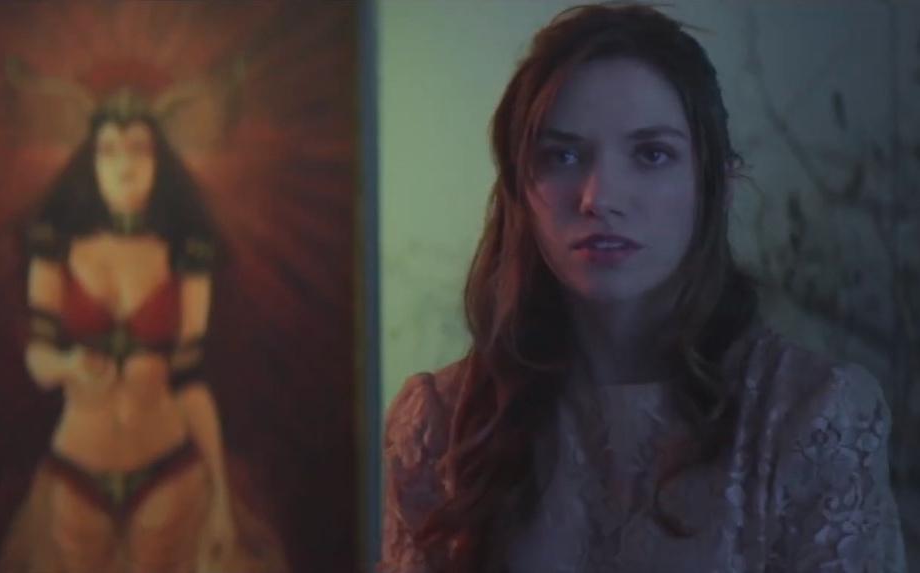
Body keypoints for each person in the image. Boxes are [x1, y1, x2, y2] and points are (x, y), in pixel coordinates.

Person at [379, 4, 907, 572]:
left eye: (652, 154)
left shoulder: (810, 415)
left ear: (715, 183)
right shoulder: (444, 425)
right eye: (563, 156)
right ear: (518, 189)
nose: (600, 197)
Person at [0, 81, 288, 573]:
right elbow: (39, 361)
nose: (124, 165)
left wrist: (221, 497)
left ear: (158, 163)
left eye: (138, 150)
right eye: (109, 151)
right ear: (92, 163)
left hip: (168, 469)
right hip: (76, 471)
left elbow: (190, 383)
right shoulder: (54, 246)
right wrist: (69, 366)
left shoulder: (187, 253)